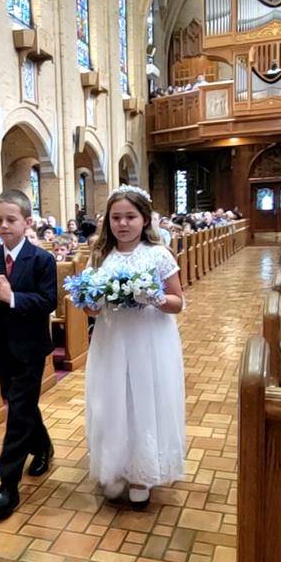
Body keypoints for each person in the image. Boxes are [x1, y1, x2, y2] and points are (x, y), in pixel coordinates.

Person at [85, 185, 185, 508]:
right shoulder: (101, 256)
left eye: (130, 216)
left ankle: (142, 472)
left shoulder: (157, 254)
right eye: (116, 217)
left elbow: (177, 302)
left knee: (144, 399)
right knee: (112, 400)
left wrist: (153, 298)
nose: (122, 224)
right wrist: (89, 300)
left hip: (148, 340)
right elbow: (92, 310)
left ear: (144, 219)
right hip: (111, 340)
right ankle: (114, 467)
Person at [0, 189, 57, 520]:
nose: (3, 226)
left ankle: (7, 484)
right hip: (2, 347)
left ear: (27, 221)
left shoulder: (42, 259)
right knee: (20, 404)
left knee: (18, 411)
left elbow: (48, 301)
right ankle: (44, 446)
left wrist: (12, 298)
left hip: (31, 347)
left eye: (11, 220)